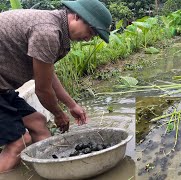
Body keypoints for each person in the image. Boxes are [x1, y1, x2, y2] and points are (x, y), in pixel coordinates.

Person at [0, 0, 112, 172]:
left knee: (38, 122)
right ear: (76, 16)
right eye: (90, 31)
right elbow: (42, 89)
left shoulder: (55, 28)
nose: (88, 38)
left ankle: (49, 171)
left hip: (3, 86)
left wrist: (71, 105)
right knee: (19, 142)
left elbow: (47, 74)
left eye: (93, 36)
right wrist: (59, 114)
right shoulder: (48, 32)